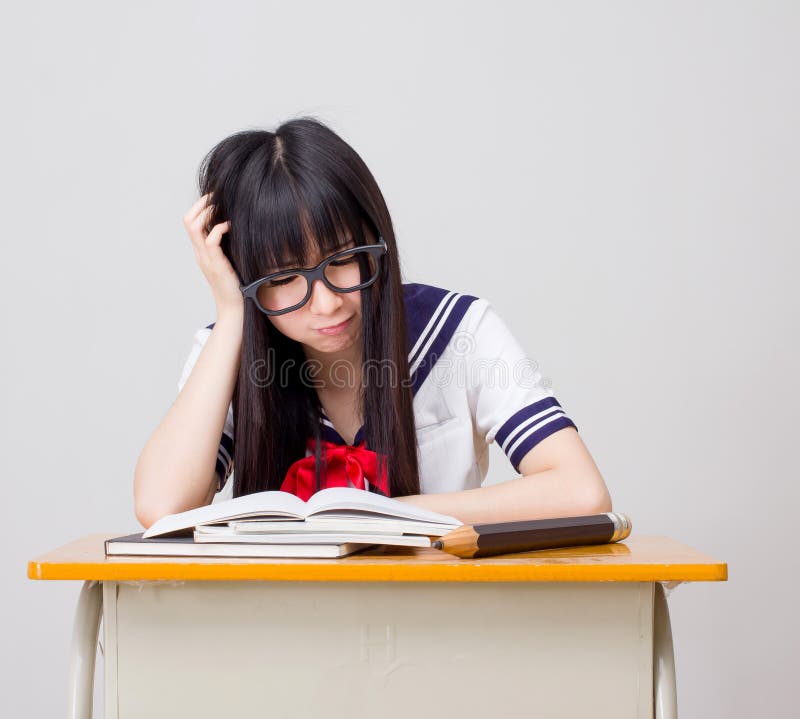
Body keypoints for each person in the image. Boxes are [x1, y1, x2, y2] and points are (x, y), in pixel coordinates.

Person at [133, 117, 612, 529]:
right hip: (276, 623)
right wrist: (233, 309)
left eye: (342, 258)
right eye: (283, 277)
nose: (325, 303)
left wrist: (399, 516)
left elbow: (581, 492)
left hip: (441, 617)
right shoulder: (227, 351)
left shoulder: (458, 331)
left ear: (375, 237)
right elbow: (162, 506)